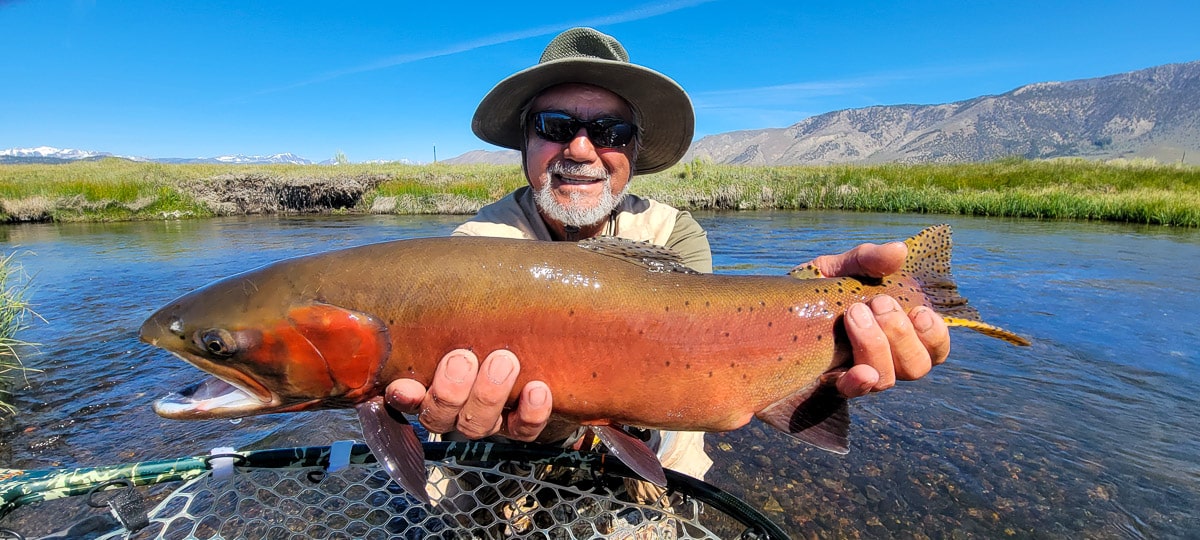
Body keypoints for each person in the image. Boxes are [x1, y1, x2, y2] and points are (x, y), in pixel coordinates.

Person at [384, 27, 950, 482]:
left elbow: (703, 341)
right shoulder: (471, 254)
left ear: (632, 151)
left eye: (609, 131)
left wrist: (817, 300)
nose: (581, 149)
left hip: (647, 476)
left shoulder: (675, 234)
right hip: (503, 473)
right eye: (555, 126)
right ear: (526, 144)